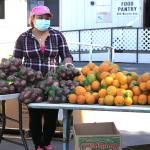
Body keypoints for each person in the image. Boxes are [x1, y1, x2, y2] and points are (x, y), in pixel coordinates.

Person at [13, 5, 73, 150]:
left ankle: (46, 143)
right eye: (40, 18)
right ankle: (38, 145)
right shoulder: (23, 38)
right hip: (31, 85)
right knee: (35, 116)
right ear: (32, 19)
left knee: (51, 116)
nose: (44, 20)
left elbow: (66, 55)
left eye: (46, 18)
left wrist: (68, 64)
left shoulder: (57, 35)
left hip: (53, 84)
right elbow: (16, 60)